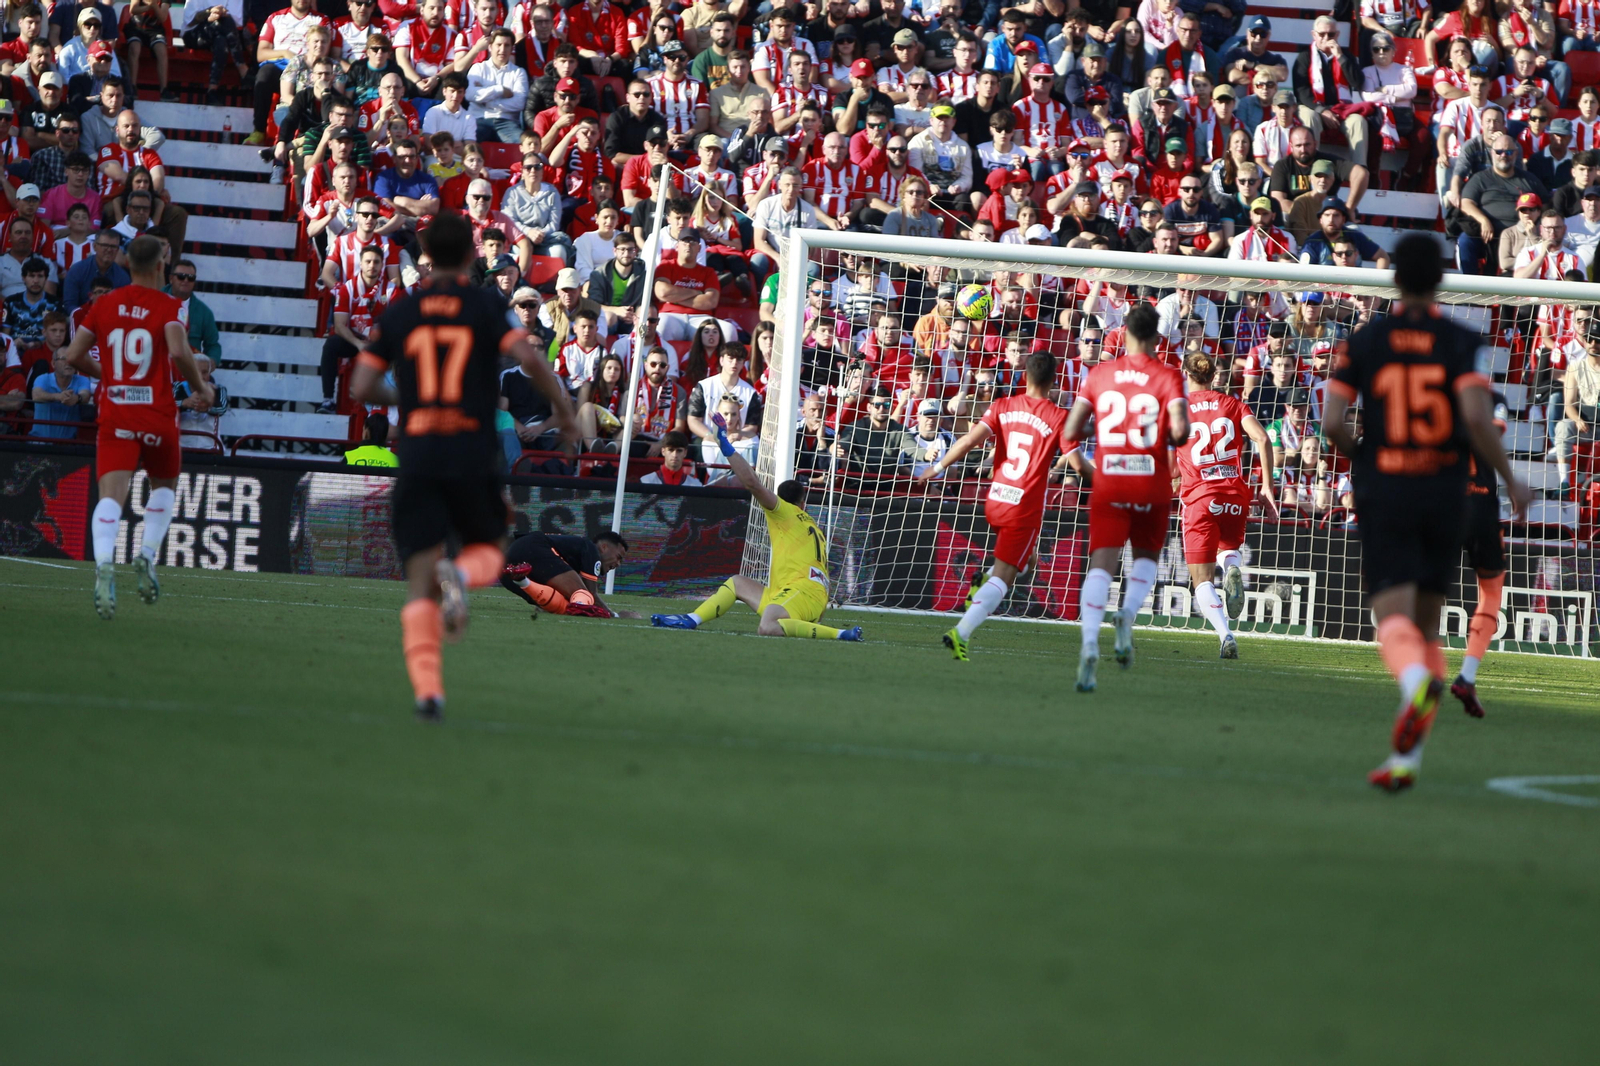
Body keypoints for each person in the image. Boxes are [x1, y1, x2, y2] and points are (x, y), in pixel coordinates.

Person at [1322, 233, 1532, 792]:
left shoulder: (1364, 341)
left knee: (1392, 616)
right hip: (1445, 493)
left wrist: (1365, 457)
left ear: (1395, 279)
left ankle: (1414, 681)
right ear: (1440, 280)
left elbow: (1332, 422)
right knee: (1429, 627)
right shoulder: (1462, 340)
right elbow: (1477, 418)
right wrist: (1511, 479)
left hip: (1388, 488)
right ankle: (1406, 762)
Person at [347, 212, 577, 721]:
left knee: (419, 583)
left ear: (427, 259)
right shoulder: (487, 306)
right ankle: (461, 573)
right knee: (493, 549)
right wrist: (564, 414)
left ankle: (428, 692)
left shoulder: (403, 311)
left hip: (420, 452)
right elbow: (531, 359)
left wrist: (412, 396)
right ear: (473, 256)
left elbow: (361, 386)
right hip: (471, 450)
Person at [62, 235, 212, 619]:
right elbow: (178, 350)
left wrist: (108, 375)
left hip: (117, 413)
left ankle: (103, 564)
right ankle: (146, 555)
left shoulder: (104, 303)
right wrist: (200, 387)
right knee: (163, 487)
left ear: (127, 264)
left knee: (111, 496)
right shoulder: (169, 305)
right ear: (162, 266)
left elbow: (73, 354)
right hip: (157, 414)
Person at [1061, 302, 1189, 692]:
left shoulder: (1100, 374)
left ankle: (1088, 643)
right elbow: (1181, 432)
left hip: (1110, 479)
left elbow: (1071, 429)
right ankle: (1127, 614)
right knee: (1146, 559)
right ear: (1156, 337)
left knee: (1101, 565)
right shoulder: (1169, 375)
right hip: (1150, 480)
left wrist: (1102, 432)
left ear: (1126, 334)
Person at [913, 349, 1071, 659]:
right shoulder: (1057, 416)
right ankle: (961, 632)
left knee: (1028, 560)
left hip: (996, 498)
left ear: (1025, 376)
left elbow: (968, 441)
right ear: (1054, 380)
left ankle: (981, 579)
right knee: (1006, 575)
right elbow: (1075, 456)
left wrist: (938, 466)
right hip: (1023, 505)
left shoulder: (1002, 405)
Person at [651, 414, 863, 641]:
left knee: (768, 627)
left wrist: (725, 446)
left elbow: (752, 483)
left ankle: (841, 634)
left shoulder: (784, 511)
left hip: (802, 591)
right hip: (801, 593)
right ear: (803, 504)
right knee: (737, 583)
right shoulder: (811, 526)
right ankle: (691, 619)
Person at [1175, 349, 1278, 656]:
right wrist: (1267, 488)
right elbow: (1263, 438)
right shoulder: (1233, 404)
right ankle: (1232, 565)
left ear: (1185, 374)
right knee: (1227, 549)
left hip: (1200, 496)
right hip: (1235, 494)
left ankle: (1225, 636)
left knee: (1201, 580)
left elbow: (1168, 464)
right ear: (1213, 376)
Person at [500, 530, 630, 617]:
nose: (618, 564)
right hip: (532, 546)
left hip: (506, 570)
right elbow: (591, 595)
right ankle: (522, 581)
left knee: (566, 606)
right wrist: (615, 615)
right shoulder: (591, 549)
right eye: (619, 557)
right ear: (604, 547)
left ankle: (522, 580)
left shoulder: (569, 557)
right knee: (582, 597)